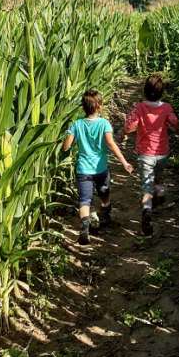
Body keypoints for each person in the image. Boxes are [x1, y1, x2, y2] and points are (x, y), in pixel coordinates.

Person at [63, 89, 133, 246]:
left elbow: (66, 146)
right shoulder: (104, 124)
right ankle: (106, 217)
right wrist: (124, 162)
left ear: (83, 108)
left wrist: (67, 139)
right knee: (104, 194)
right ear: (99, 107)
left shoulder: (77, 124)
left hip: (83, 170)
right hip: (100, 169)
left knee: (84, 200)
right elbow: (110, 143)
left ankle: (84, 228)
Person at [123, 74, 179, 236]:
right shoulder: (167, 108)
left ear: (145, 91)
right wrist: (176, 129)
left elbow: (130, 127)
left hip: (145, 154)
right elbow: (175, 123)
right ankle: (161, 193)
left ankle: (147, 209)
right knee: (159, 176)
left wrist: (131, 131)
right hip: (162, 152)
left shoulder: (140, 108)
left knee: (146, 184)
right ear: (162, 92)